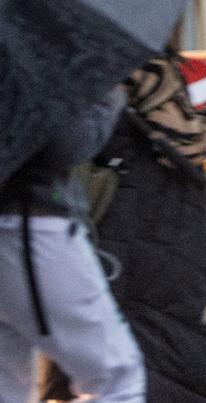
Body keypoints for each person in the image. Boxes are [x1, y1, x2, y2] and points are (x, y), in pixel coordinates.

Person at [36, 51, 206, 402]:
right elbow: (189, 141)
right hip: (145, 222)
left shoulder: (58, 48)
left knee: (85, 349)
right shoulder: (127, 50)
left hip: (83, 214)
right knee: (150, 352)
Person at [0, 88, 146, 403]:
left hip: (24, 222)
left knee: (7, 382)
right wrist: (110, 96)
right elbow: (68, 142)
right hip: (28, 221)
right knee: (117, 378)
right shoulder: (35, 56)